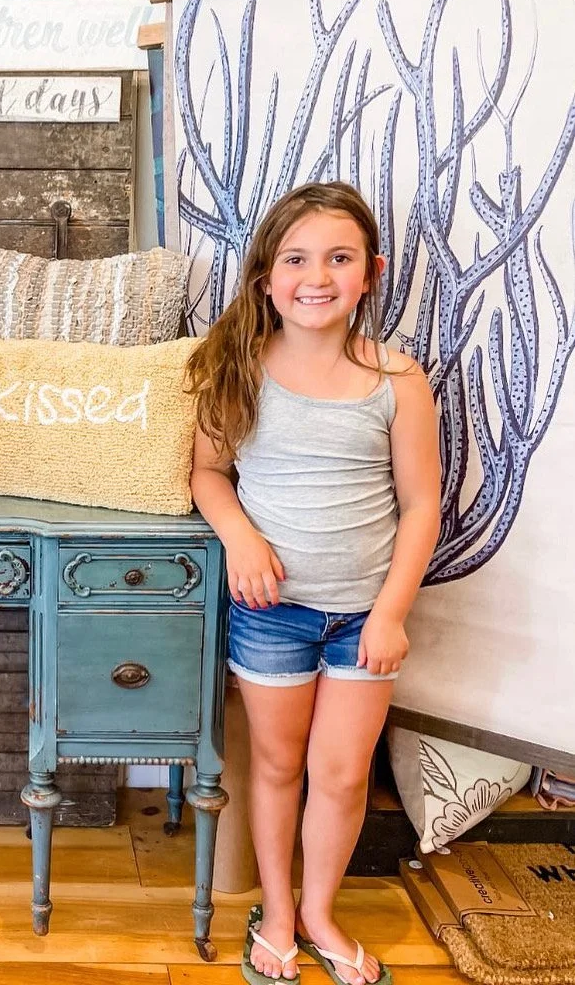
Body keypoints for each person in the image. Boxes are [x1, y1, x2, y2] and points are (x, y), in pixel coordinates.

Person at [188, 182, 441, 985]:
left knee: (341, 773)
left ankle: (321, 911)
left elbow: (423, 502)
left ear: (372, 272)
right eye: (296, 259)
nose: (317, 276)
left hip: (365, 616)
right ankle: (277, 910)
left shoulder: (398, 379)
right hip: (272, 615)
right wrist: (239, 535)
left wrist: (391, 611)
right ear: (267, 275)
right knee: (275, 765)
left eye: (339, 258)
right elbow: (207, 473)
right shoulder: (237, 367)